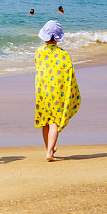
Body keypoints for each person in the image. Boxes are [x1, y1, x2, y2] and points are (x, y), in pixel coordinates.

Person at [34, 20, 80, 162]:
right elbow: (69, 74)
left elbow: (39, 68)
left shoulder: (39, 52)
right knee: (54, 121)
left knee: (45, 121)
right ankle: (50, 152)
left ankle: (50, 148)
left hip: (42, 91)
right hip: (57, 92)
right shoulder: (63, 54)